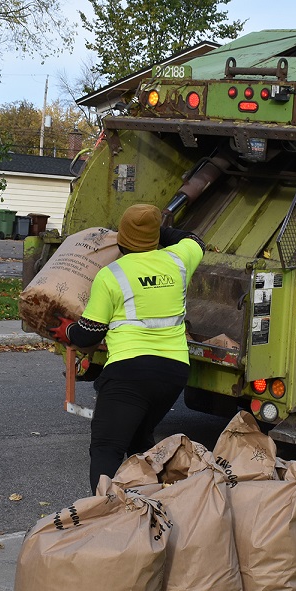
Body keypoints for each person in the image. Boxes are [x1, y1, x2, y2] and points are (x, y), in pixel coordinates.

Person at [49, 204, 204, 493]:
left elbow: (87, 335)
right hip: (173, 373)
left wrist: (65, 329)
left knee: (107, 448)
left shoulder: (112, 275)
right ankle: (156, 506)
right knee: (138, 442)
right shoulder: (179, 261)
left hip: (129, 374)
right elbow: (195, 240)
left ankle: (105, 514)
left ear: (122, 239)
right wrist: (158, 231)